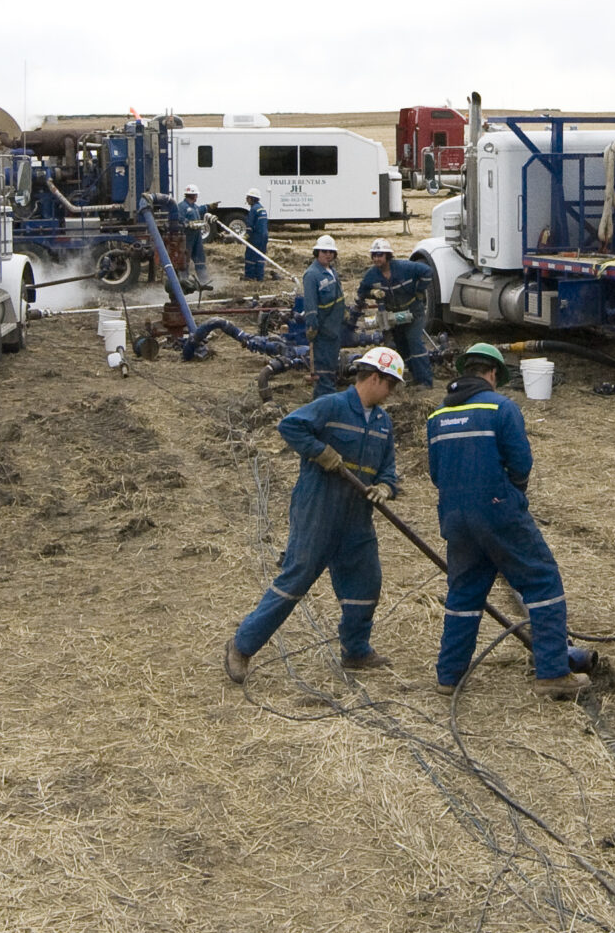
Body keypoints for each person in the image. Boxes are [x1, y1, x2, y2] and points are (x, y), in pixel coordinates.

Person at [226, 346, 407, 682]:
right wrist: (320, 451)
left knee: (366, 582)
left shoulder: (383, 423)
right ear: (375, 378)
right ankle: (241, 646)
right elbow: (290, 426)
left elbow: (388, 468)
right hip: (319, 507)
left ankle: (356, 651)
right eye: (390, 385)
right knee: (296, 580)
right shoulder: (333, 405)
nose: (392, 393)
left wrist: (384, 487)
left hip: (357, 515)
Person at [427, 343, 589, 700]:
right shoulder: (501, 408)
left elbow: (436, 474)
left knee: (464, 594)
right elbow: (520, 463)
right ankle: (552, 673)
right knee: (542, 581)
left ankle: (449, 676)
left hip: (454, 516)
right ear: (493, 374)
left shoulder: (437, 417)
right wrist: (508, 497)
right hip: (498, 511)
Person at [356, 236, 438, 390]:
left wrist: (420, 290)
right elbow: (362, 291)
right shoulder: (372, 275)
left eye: (380, 255)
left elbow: (428, 271)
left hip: (412, 311)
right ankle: (415, 377)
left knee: (414, 342)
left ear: (388, 255)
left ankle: (426, 382)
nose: (376, 258)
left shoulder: (405, 267)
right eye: (374, 255)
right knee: (402, 346)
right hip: (394, 316)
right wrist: (372, 292)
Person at [300, 234, 348, 395]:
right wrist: (312, 326)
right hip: (323, 328)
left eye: (331, 252)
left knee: (332, 362)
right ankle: (324, 396)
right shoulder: (312, 275)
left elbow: (339, 294)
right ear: (317, 252)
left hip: (334, 327)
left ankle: (329, 392)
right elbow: (310, 304)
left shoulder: (332, 271)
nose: (328, 255)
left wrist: (345, 312)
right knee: (323, 365)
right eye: (324, 251)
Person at [175, 186, 209, 290]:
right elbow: (179, 219)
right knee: (184, 260)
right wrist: (188, 223)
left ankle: (204, 282)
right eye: (196, 195)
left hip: (196, 236)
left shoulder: (194, 206)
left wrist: (209, 206)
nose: (197, 197)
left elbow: (199, 209)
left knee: (199, 258)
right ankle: (184, 283)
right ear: (193, 195)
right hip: (186, 236)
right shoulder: (182, 206)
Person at [242, 190, 270, 283]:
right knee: (260, 256)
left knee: (250, 256)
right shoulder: (262, 209)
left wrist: (246, 236)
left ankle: (249, 276)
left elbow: (250, 226)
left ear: (252, 198)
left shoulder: (253, 209)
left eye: (248, 197)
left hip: (255, 237)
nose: (247, 199)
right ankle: (259, 277)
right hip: (264, 236)